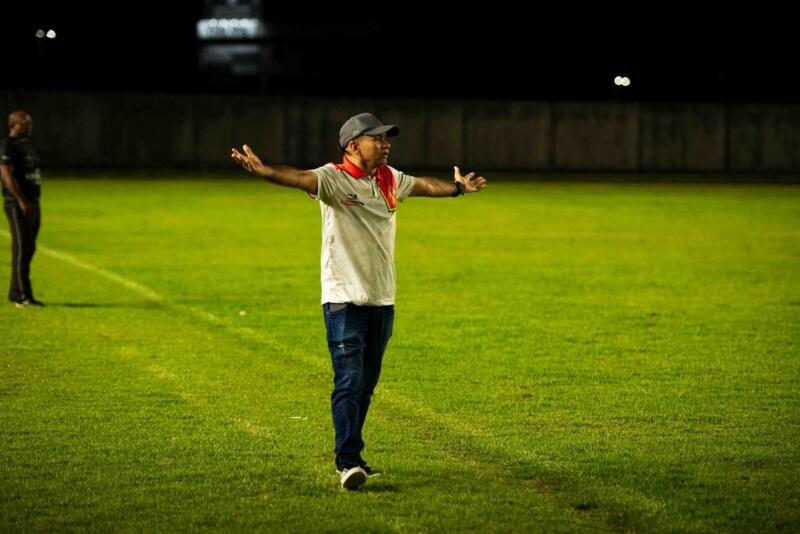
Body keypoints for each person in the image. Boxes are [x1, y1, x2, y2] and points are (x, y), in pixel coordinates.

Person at [231, 112, 486, 490]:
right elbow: (300, 177)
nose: (386, 144)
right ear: (353, 145)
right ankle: (347, 461)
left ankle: (355, 455)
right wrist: (265, 170)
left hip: (383, 299)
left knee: (366, 384)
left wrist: (458, 188)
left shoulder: (388, 179)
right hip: (344, 300)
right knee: (349, 379)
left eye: (386, 139)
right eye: (377, 139)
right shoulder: (334, 178)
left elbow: (426, 187)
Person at [1, 110, 44, 307]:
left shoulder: (26, 146)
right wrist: (21, 201)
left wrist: (32, 200)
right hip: (18, 204)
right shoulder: (8, 146)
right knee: (21, 248)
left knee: (29, 247)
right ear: (12, 125)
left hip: (33, 202)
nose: (28, 126)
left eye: (29, 123)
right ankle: (23, 296)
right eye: (23, 123)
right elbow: (7, 176)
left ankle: (15, 292)